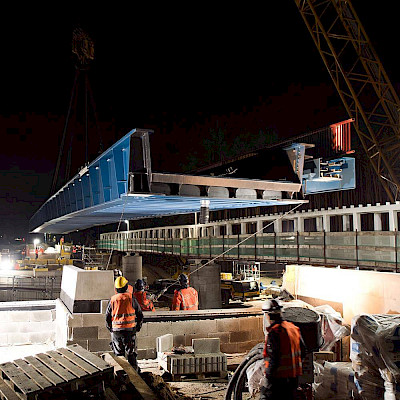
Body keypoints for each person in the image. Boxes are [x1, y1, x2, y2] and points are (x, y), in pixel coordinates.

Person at [260, 299, 306, 400]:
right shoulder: (293, 328)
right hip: (294, 378)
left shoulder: (275, 332)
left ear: (268, 315)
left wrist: (268, 378)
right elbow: (303, 351)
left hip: (278, 379)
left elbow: (274, 359)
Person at [106, 276, 143, 370]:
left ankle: (120, 377)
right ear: (126, 286)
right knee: (131, 354)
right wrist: (138, 326)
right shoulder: (131, 298)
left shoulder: (113, 299)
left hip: (116, 331)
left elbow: (107, 316)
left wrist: (110, 328)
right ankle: (135, 375)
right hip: (130, 331)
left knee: (119, 356)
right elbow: (139, 314)